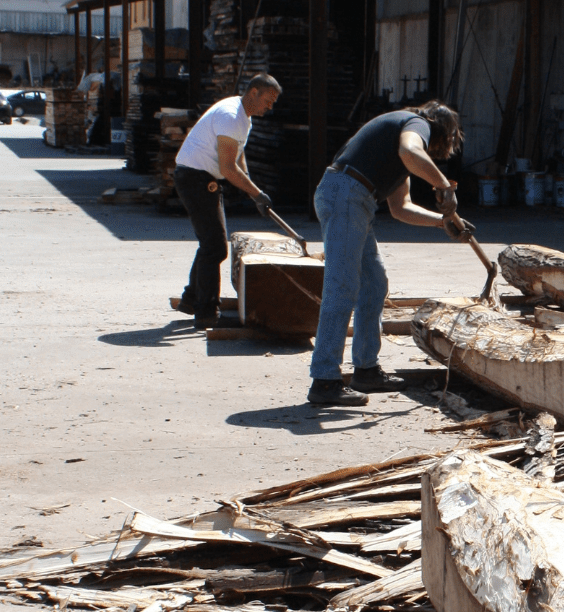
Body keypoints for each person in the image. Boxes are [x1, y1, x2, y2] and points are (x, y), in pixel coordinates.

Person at [306, 101, 475, 407]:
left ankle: (366, 371)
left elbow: (401, 208)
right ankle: (325, 380)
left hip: (353, 198)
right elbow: (412, 152)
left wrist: (442, 221)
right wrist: (444, 187)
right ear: (439, 130)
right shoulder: (415, 124)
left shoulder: (397, 149)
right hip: (347, 195)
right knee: (342, 286)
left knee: (373, 285)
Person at [173, 74, 282, 326]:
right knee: (215, 247)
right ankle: (206, 312)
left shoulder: (244, 117)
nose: (270, 107)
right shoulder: (231, 116)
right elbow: (228, 167)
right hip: (195, 178)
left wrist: (251, 188)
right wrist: (256, 194)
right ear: (253, 92)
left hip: (201, 177)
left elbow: (238, 158)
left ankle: (191, 298)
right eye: (268, 100)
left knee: (209, 242)